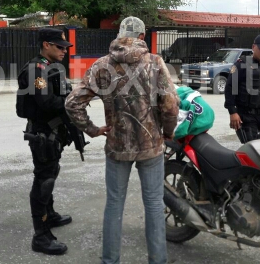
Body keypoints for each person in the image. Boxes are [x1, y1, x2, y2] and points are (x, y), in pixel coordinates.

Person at [65, 16, 179, 264]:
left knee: (114, 205)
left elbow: (73, 103)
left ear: (119, 35)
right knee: (153, 204)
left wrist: (93, 130)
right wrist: (168, 132)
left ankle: (110, 260)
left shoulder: (102, 65)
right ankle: (157, 260)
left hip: (117, 146)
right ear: (141, 37)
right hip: (151, 147)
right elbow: (170, 105)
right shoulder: (156, 63)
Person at [16, 28, 87, 255]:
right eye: (59, 47)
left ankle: (51, 214)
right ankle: (41, 235)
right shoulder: (37, 70)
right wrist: (72, 99)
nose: (64, 51)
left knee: (51, 172)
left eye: (65, 47)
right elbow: (46, 102)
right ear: (46, 45)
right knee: (44, 179)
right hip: (42, 133)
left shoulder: (50, 68)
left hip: (52, 133)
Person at [224, 34, 260, 143]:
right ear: (253, 47)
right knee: (253, 148)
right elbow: (230, 88)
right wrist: (232, 112)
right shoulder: (241, 64)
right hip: (247, 116)